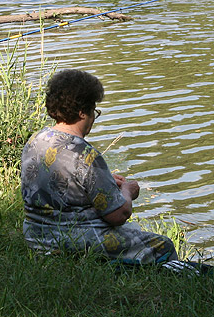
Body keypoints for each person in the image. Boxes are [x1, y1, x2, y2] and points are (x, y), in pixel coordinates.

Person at [20, 69, 178, 265]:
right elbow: (118, 215)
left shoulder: (35, 140)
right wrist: (127, 191)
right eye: (94, 112)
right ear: (82, 112)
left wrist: (106, 181)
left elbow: (62, 180)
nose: (94, 119)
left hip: (36, 237)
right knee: (163, 245)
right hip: (72, 241)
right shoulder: (85, 154)